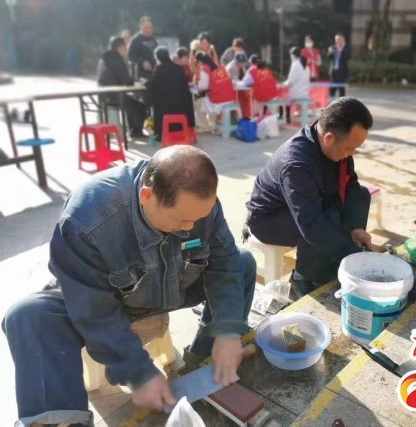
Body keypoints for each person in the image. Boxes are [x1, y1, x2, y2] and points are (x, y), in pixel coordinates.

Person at [2, 145, 256, 426]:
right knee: (28, 315)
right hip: (111, 298)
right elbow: (93, 310)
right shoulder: (87, 218)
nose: (190, 227)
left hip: (174, 284)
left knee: (242, 263)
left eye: (197, 219)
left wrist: (228, 331)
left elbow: (225, 263)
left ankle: (203, 363)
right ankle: (62, 421)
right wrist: (138, 372)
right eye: (182, 220)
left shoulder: (198, 204)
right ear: (147, 196)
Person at [245, 97, 378, 297]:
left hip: (303, 206)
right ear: (329, 138)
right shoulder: (297, 165)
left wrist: (356, 227)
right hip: (268, 219)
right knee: (327, 218)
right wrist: (354, 255)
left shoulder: (333, 146)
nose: (352, 153)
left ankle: (334, 259)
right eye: (350, 148)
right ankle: (302, 278)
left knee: (360, 195)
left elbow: (350, 185)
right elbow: (311, 224)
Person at [97, 36, 147, 138]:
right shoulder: (116, 59)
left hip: (104, 95)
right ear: (119, 48)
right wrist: (135, 82)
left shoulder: (105, 58)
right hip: (113, 96)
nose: (126, 50)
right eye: (125, 47)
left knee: (131, 100)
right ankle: (136, 131)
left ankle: (133, 129)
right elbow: (125, 79)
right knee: (139, 104)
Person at [146, 47, 195, 142]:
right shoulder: (178, 68)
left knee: (158, 103)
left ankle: (161, 135)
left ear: (158, 58)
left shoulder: (159, 69)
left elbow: (151, 84)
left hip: (165, 109)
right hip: (181, 107)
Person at [195, 52, 237, 133]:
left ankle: (204, 126)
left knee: (198, 102)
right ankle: (213, 124)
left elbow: (202, 87)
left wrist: (197, 85)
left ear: (200, 62)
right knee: (208, 99)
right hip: (230, 98)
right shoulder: (221, 67)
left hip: (219, 101)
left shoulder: (205, 69)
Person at [281, 47, 310, 123]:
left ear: (292, 55)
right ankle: (296, 114)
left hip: (296, 94)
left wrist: (283, 84)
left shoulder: (295, 65)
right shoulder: (306, 66)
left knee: (283, 97)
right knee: (287, 96)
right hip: (305, 94)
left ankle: (286, 117)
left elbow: (291, 82)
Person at [328, 33, 350, 98]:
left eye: (339, 39)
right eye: (336, 40)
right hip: (333, 72)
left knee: (342, 92)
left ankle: (342, 104)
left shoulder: (346, 48)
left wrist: (341, 50)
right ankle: (331, 103)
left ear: (343, 40)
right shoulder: (333, 47)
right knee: (331, 91)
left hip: (342, 73)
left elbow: (347, 57)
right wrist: (330, 51)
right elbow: (329, 57)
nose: (337, 41)